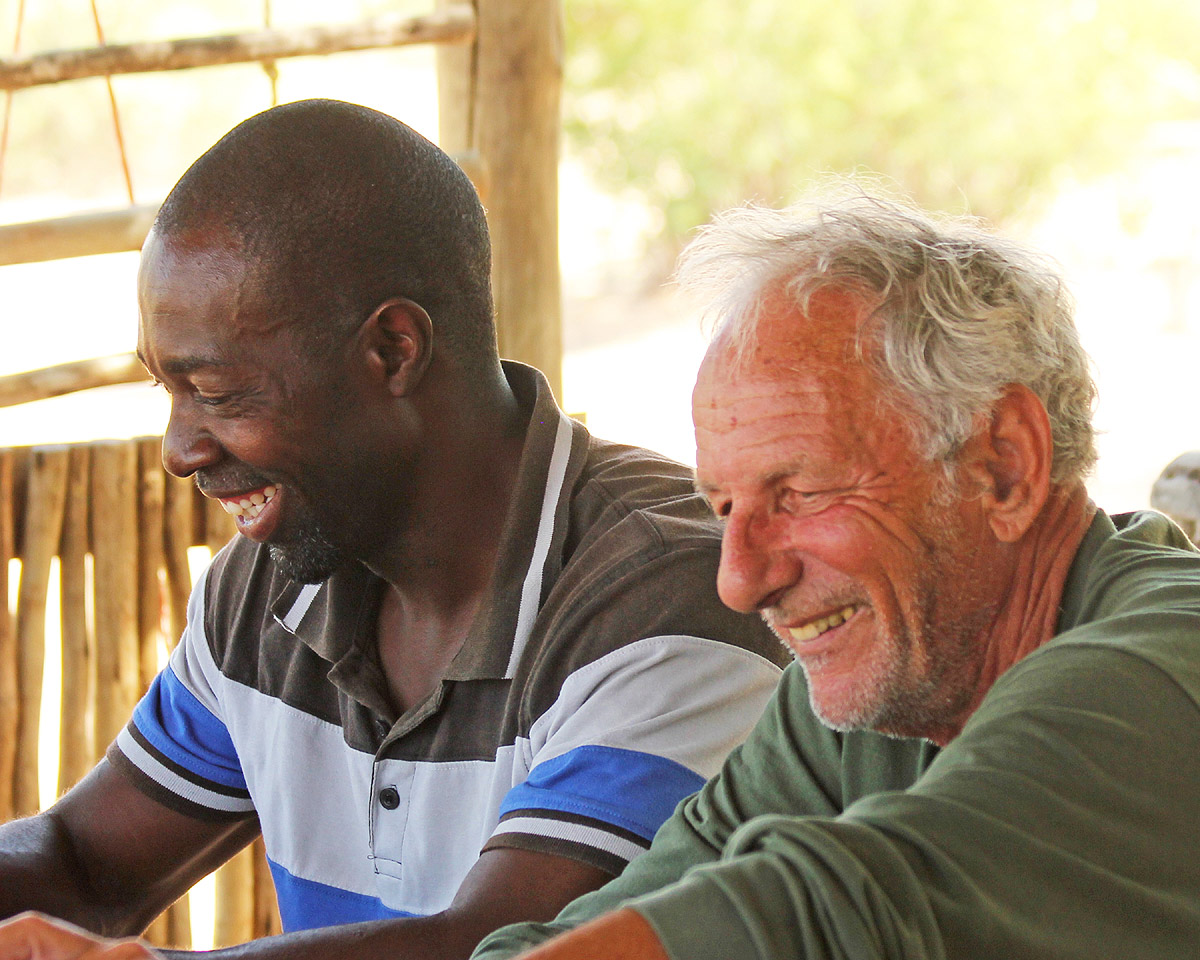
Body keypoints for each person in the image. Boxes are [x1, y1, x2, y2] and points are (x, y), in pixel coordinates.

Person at [0, 100, 787, 959]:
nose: (180, 450)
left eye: (218, 393)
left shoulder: (671, 596)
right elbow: (83, 865)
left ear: (394, 351)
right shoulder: (270, 588)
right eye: (170, 391)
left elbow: (503, 948)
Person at [462, 195, 1200, 959]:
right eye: (724, 507)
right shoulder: (871, 703)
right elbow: (550, 942)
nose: (740, 582)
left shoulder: (1160, 669)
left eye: (801, 494)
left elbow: (828, 913)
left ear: (1004, 467)